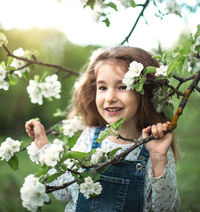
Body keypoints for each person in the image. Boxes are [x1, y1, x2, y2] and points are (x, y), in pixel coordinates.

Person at [25, 46, 180, 212]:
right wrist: (43, 146)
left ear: (144, 91)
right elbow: (63, 193)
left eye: (122, 87)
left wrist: (158, 158)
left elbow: (167, 208)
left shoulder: (155, 148)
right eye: (103, 88)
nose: (110, 97)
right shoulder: (89, 137)